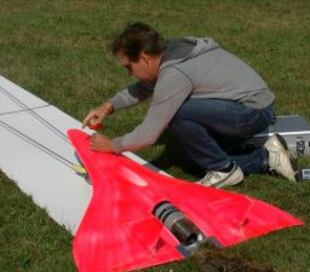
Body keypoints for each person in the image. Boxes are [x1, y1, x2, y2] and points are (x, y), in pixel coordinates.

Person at [83, 22, 297, 188]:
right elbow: (144, 87)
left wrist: (112, 145)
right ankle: (267, 157)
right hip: (252, 105)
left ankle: (223, 169)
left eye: (129, 67)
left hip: (251, 112)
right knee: (194, 159)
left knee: (177, 115)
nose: (129, 73)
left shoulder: (175, 73)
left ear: (145, 58)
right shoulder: (171, 53)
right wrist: (107, 107)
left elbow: (148, 134)